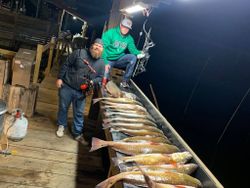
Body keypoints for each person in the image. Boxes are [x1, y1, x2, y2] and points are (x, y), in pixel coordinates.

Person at [56, 38, 105, 145]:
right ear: (92, 45)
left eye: (100, 46)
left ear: (102, 50)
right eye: (96, 45)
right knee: (63, 107)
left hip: (81, 92)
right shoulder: (79, 53)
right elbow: (66, 64)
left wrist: (93, 81)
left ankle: (77, 133)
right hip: (67, 86)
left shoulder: (102, 63)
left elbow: (101, 77)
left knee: (79, 113)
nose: (97, 47)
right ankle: (61, 125)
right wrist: (59, 78)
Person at [102, 18, 145, 88]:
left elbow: (132, 49)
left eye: (127, 28)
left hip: (119, 59)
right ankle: (103, 81)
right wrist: (106, 62)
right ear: (120, 25)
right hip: (108, 59)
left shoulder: (129, 38)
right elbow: (103, 48)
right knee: (104, 78)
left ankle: (125, 81)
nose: (125, 29)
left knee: (133, 58)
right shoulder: (110, 33)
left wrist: (139, 52)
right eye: (124, 26)